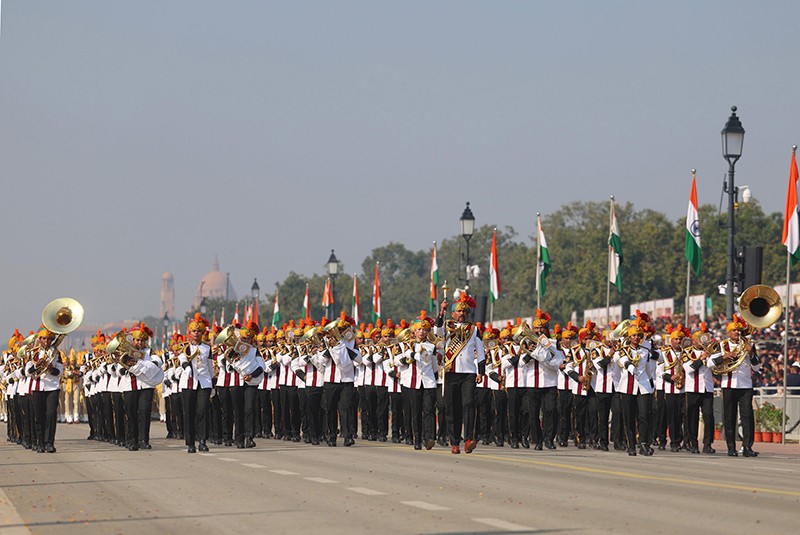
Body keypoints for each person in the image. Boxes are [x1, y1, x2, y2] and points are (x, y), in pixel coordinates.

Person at [434, 292, 486, 454]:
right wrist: (441, 312)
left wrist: (481, 371)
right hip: (451, 372)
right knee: (452, 407)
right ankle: (455, 440)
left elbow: (481, 351)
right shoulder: (447, 326)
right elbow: (437, 331)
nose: (461, 314)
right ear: (453, 313)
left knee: (469, 404)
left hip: (469, 373)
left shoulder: (474, 329)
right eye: (458, 311)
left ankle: (469, 438)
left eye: (464, 311)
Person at [710, 315, 760, 457]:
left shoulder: (748, 344)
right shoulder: (722, 345)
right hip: (729, 385)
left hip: (745, 385)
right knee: (729, 416)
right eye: (734, 331)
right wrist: (724, 358)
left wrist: (751, 353)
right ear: (729, 332)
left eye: (739, 330)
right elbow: (710, 363)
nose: (737, 333)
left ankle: (747, 447)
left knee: (747, 416)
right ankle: (731, 447)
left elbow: (756, 368)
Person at [397, 313, 439, 450]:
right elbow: (396, 361)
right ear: (414, 331)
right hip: (412, 382)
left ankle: (429, 438)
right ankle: (417, 439)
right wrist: (408, 359)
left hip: (428, 382)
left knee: (429, 410)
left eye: (425, 330)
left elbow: (434, 366)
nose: (422, 332)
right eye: (419, 329)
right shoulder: (405, 345)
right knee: (415, 411)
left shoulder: (431, 346)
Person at [616, 315, 657, 456]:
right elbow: (623, 361)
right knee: (629, 416)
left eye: (639, 336)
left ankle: (644, 444)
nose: (636, 338)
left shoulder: (645, 351)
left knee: (644, 415)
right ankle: (631, 444)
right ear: (629, 337)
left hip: (643, 386)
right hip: (627, 385)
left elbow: (650, 369)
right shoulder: (623, 350)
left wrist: (649, 382)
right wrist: (631, 367)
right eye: (634, 335)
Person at [178, 313, 214, 453]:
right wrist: (186, 367)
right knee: (189, 413)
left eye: (199, 331)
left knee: (202, 411)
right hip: (188, 382)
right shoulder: (184, 347)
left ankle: (203, 440)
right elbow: (182, 359)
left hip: (204, 382)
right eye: (194, 331)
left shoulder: (207, 348)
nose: (196, 334)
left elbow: (210, 366)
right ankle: (190, 442)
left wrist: (212, 384)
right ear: (189, 332)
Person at [25, 328, 64, 453]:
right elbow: (27, 372)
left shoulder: (56, 353)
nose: (47, 341)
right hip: (38, 387)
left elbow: (60, 372)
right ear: (39, 339)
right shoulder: (33, 353)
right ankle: (39, 442)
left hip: (52, 387)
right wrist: (37, 365)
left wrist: (51, 369)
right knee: (39, 415)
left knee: (51, 414)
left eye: (49, 339)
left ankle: (49, 443)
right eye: (44, 338)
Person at [684, 323, 716, 454]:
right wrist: (700, 359)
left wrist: (715, 357)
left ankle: (708, 444)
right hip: (692, 388)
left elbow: (713, 366)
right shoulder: (687, 352)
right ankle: (693, 443)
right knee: (692, 416)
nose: (701, 342)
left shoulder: (709, 352)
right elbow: (688, 369)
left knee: (709, 416)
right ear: (693, 340)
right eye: (698, 339)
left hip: (707, 388)